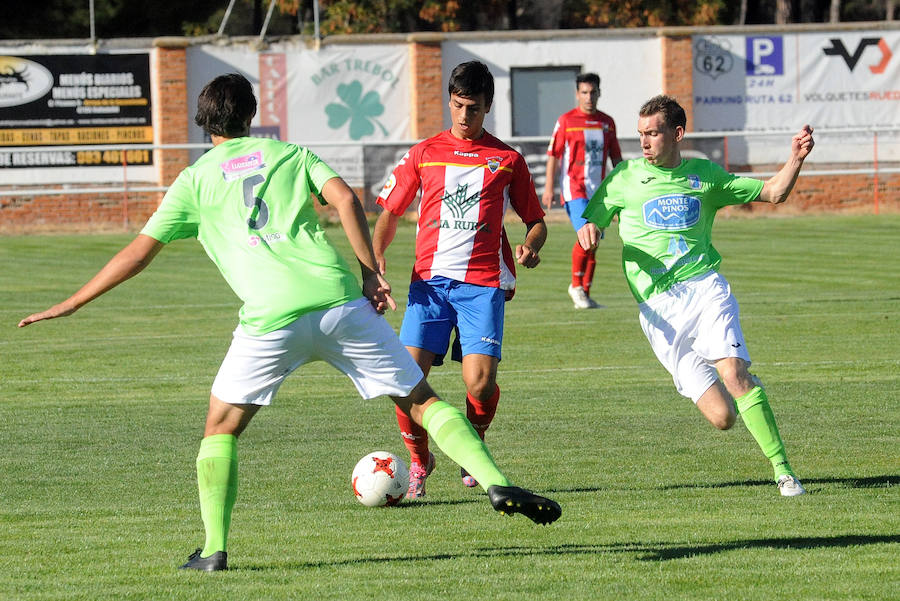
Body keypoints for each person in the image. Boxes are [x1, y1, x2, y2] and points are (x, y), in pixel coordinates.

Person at [17, 73, 561, 572]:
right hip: (337, 300)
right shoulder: (290, 154)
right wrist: (370, 274)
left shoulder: (194, 180)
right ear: (251, 115)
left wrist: (73, 302)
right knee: (421, 399)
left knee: (221, 428)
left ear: (204, 122)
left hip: (270, 319)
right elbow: (345, 199)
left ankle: (213, 550)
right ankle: (496, 483)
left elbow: (139, 252)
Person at [577, 94, 813, 496]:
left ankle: (784, 471)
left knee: (733, 375)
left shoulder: (705, 176)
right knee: (723, 417)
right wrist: (591, 231)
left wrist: (796, 158)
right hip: (659, 312)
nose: (644, 142)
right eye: (641, 134)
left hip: (705, 289)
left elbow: (774, 192)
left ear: (677, 134)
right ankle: (742, 383)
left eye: (653, 133)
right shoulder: (624, 178)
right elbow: (592, 222)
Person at [373, 61, 547, 498]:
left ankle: (474, 444)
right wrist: (376, 259)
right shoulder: (425, 152)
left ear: (488, 107)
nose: (464, 116)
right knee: (405, 380)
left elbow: (536, 221)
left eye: (473, 107)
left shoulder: (507, 160)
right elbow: (390, 212)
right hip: (429, 286)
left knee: (480, 384)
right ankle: (419, 461)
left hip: (481, 286)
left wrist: (531, 246)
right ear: (449, 102)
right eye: (457, 105)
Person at [543, 72, 622, 309]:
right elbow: (553, 155)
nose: (589, 97)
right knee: (586, 235)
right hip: (574, 188)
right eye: (584, 92)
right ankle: (576, 286)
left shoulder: (607, 123)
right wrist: (549, 187)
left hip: (599, 192)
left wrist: (624, 188)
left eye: (593, 92)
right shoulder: (566, 121)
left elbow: (616, 158)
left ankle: (585, 293)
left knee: (594, 241)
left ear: (599, 93)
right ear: (577, 94)